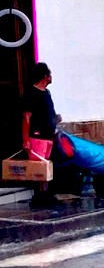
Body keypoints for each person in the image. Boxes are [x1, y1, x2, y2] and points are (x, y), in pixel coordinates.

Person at [21, 63, 62, 207]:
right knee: (39, 167)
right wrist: (26, 139)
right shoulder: (31, 93)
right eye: (49, 74)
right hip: (37, 136)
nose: (51, 77)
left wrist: (55, 118)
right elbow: (27, 117)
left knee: (49, 164)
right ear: (45, 76)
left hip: (49, 135)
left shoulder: (46, 92)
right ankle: (39, 196)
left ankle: (48, 194)